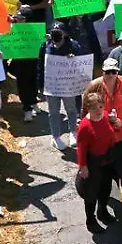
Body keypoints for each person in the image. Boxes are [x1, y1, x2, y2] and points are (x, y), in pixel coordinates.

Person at [86, 58, 122, 205]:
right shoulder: (94, 86)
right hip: (102, 139)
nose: (110, 75)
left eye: (113, 72)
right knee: (105, 170)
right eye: (107, 72)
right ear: (102, 72)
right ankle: (104, 196)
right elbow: (85, 110)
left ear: (118, 72)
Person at [75, 89, 117, 233]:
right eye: (94, 108)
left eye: (100, 106)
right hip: (93, 164)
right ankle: (90, 220)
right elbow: (80, 148)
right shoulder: (85, 126)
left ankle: (103, 211)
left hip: (107, 161)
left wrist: (116, 122)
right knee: (91, 193)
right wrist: (83, 166)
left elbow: (111, 131)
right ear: (88, 108)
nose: (98, 110)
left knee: (105, 189)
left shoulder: (105, 116)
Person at [39, 21, 83, 150]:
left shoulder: (73, 45)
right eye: (54, 32)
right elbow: (40, 65)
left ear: (65, 34)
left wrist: (73, 59)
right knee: (53, 112)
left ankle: (73, 132)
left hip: (67, 85)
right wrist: (40, 84)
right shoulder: (46, 45)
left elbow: (81, 63)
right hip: (51, 85)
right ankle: (55, 136)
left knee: (71, 109)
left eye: (59, 32)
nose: (57, 34)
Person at [9, 9, 44, 122]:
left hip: (33, 62)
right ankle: (27, 109)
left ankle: (33, 102)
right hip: (20, 63)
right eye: (17, 18)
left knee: (33, 83)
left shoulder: (35, 31)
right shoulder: (12, 29)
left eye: (21, 19)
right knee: (23, 85)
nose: (18, 20)